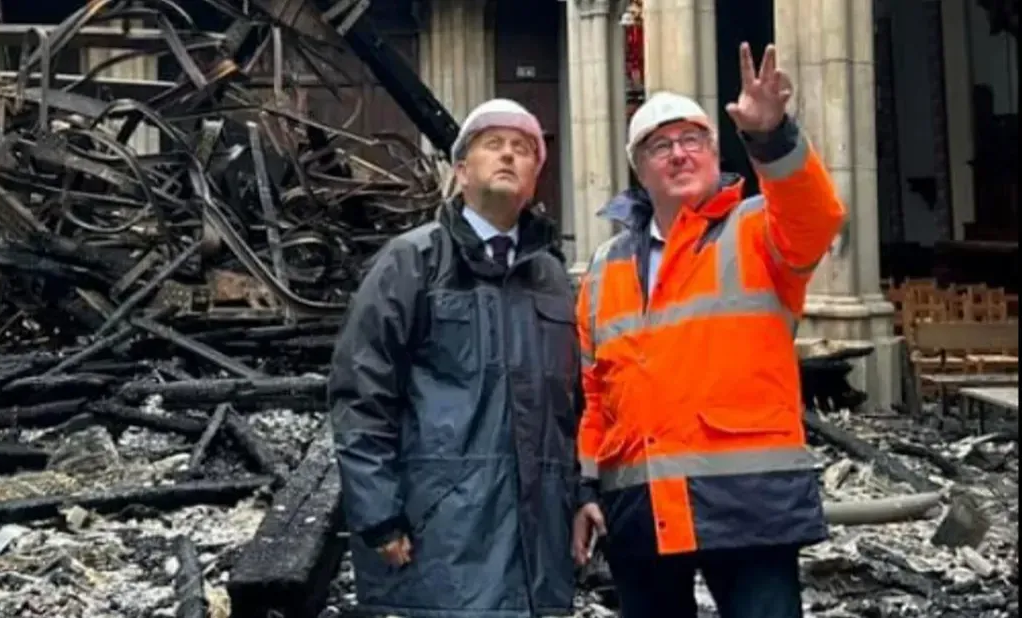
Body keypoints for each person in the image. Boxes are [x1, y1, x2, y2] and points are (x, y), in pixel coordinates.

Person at [570, 42, 846, 618]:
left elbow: (816, 216)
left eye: (692, 140)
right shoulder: (604, 268)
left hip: (749, 505)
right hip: (640, 508)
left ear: (715, 154)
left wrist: (772, 138)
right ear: (639, 169)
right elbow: (596, 394)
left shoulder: (757, 230)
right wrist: (587, 487)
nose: (678, 154)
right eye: (660, 145)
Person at [327, 98, 581, 618]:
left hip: (538, 548)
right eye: (494, 145)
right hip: (438, 539)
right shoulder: (412, 261)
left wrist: (580, 499)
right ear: (461, 171)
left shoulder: (552, 278)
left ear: (535, 178)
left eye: (523, 149)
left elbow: (571, 407)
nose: (508, 155)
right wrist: (378, 515)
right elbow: (361, 393)